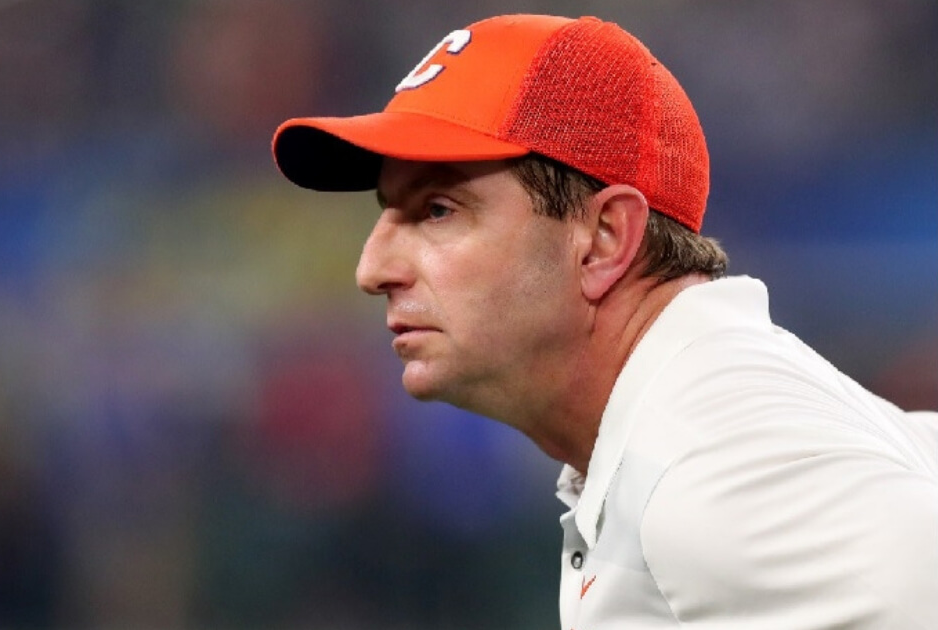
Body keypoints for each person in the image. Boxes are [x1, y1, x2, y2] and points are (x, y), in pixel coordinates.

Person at [269, 13, 938, 630]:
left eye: (438, 209)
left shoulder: (715, 469)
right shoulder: (691, 433)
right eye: (385, 212)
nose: (372, 267)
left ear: (605, 238)